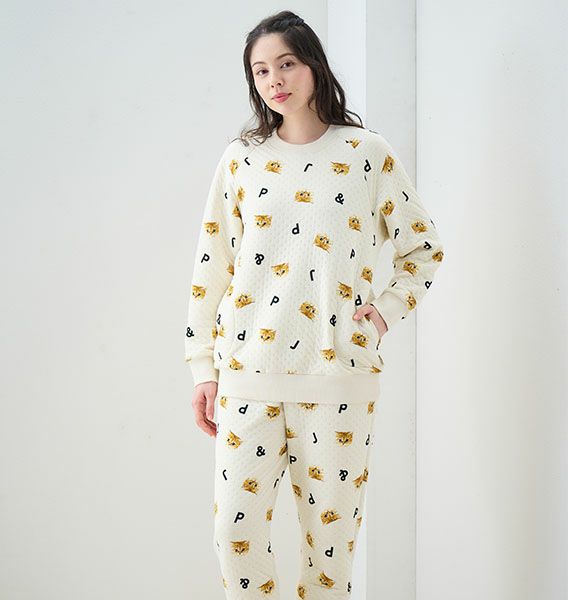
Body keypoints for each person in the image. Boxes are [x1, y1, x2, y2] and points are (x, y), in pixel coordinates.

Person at [184, 10, 445, 599]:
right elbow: (211, 266)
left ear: (313, 66)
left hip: (337, 377)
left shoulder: (365, 153)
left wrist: (384, 311)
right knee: (234, 535)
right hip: (248, 373)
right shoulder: (241, 160)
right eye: (260, 70)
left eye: (286, 63)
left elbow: (423, 247)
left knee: (329, 553)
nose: (274, 79)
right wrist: (203, 368)